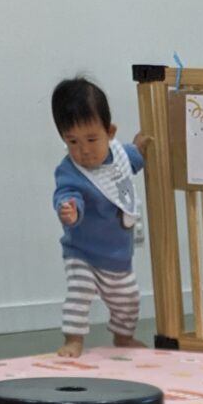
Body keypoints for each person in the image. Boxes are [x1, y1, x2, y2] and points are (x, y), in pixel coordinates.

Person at [52, 77, 147, 358]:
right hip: (82, 252)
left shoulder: (120, 155)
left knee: (128, 301)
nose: (84, 149)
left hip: (118, 254)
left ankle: (123, 337)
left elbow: (134, 160)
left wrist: (140, 147)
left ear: (110, 132)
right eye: (73, 141)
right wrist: (70, 210)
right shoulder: (70, 171)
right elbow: (67, 194)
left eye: (92, 139)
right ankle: (73, 339)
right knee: (79, 293)